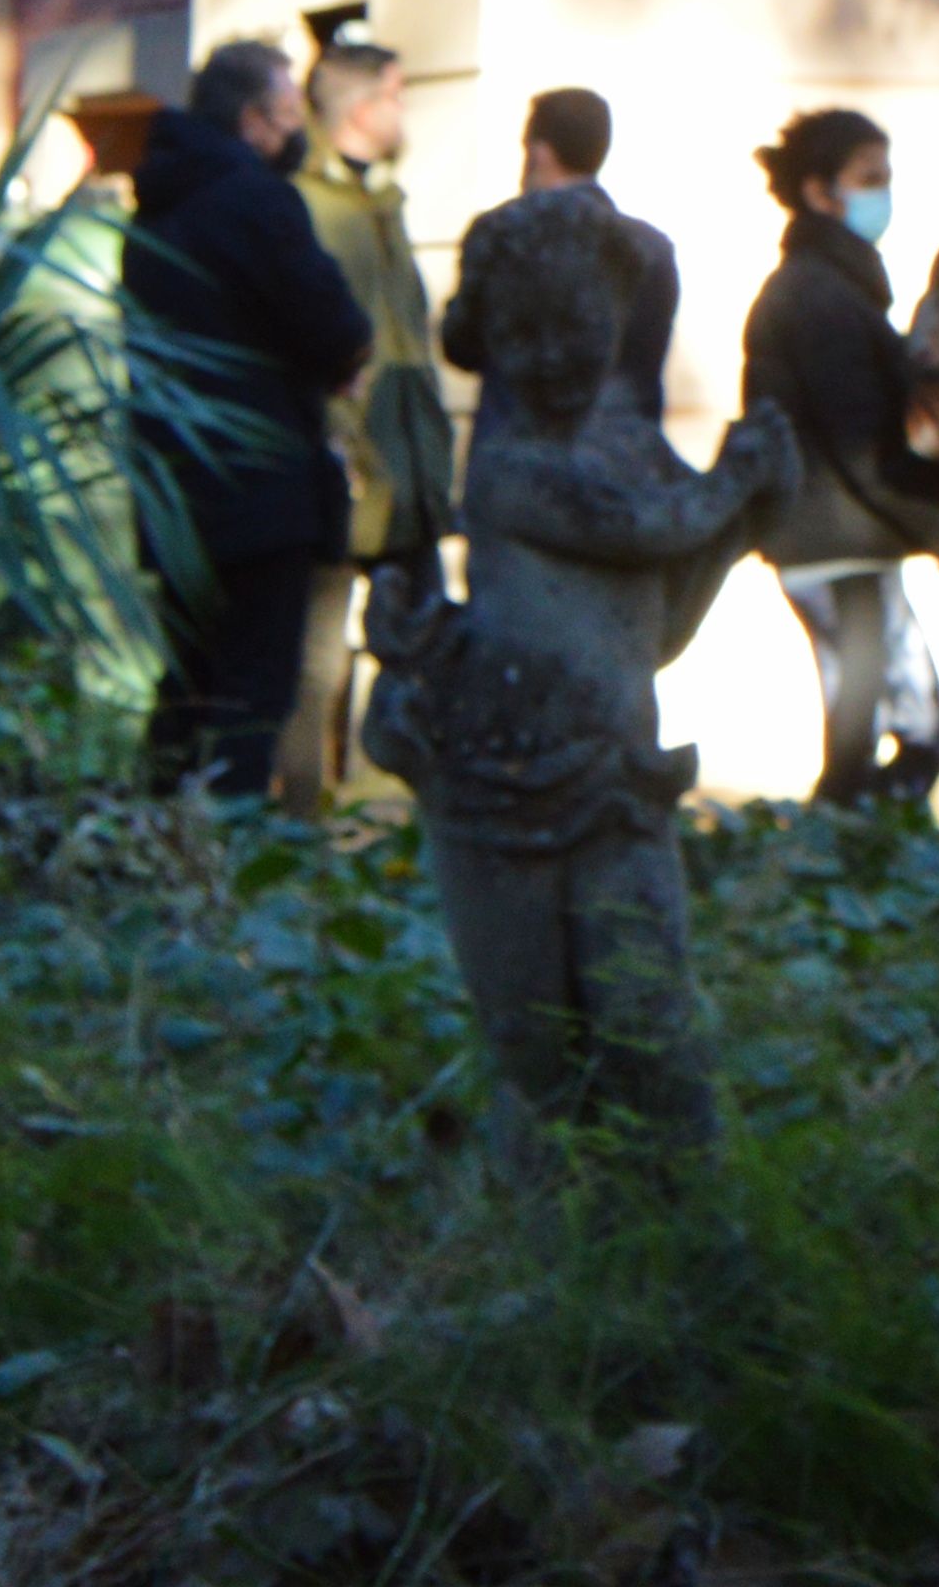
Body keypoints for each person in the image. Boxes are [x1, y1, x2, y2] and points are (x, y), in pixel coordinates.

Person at [364, 186, 797, 1155]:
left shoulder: (630, 448)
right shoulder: (513, 468)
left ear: (616, 317)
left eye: (579, 324)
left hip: (614, 778)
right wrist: (734, 484)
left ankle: (690, 1240)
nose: (557, 355)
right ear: (488, 337)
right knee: (537, 1053)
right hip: (496, 780)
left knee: (654, 1028)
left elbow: (655, 626)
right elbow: (651, 528)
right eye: (526, 332)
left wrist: (749, 516)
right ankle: (532, 1253)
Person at [128, 39, 373, 800]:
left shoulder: (157, 206)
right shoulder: (256, 199)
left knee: (188, 684)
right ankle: (224, 875)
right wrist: (346, 361)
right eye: (289, 113)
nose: (297, 130)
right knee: (251, 696)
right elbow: (330, 323)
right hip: (261, 488)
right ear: (253, 121)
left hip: (174, 491)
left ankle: (148, 853)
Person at [742, 105, 939, 805]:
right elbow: (858, 438)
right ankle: (835, 867)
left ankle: (856, 865)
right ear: (820, 190)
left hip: (840, 544)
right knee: (887, 741)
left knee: (879, 737)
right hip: (841, 547)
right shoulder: (819, 296)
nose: (882, 193)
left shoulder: (825, 287)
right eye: (870, 178)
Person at [287, 18, 448, 811]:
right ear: (361, 105)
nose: (405, 110)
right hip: (346, 463)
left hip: (410, 463)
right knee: (318, 653)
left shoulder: (385, 202)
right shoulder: (309, 205)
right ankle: (304, 812)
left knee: (415, 639)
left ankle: (391, 807)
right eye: (397, 94)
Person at [457, 88, 678, 425]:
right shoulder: (651, 248)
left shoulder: (498, 233)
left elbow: (461, 344)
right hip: (617, 452)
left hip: (513, 449)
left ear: (539, 151)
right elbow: (646, 364)